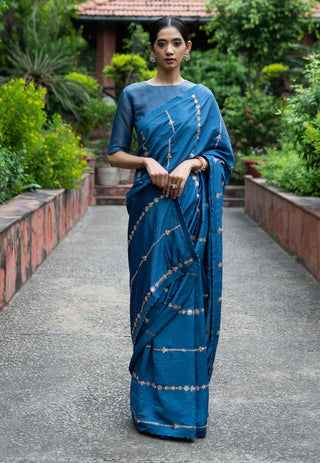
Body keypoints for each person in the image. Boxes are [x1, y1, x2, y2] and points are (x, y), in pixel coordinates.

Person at [107, 16, 234, 440]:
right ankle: (149, 410)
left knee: (187, 307)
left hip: (192, 212)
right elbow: (114, 154)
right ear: (151, 49)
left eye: (176, 43)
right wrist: (147, 161)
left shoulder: (203, 98)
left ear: (188, 47)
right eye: (161, 43)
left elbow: (220, 155)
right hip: (150, 213)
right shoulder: (134, 95)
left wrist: (188, 162)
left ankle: (184, 411)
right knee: (153, 301)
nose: (168, 50)